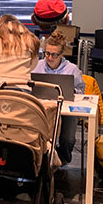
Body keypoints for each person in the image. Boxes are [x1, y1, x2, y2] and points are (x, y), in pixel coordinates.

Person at [33, 31, 85, 165]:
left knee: (68, 139)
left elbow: (81, 90)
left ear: (62, 55)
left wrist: (72, 91)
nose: (49, 58)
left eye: (54, 55)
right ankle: (43, 159)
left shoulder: (72, 69)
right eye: (47, 53)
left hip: (66, 109)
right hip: (44, 108)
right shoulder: (37, 66)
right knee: (37, 134)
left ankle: (61, 160)